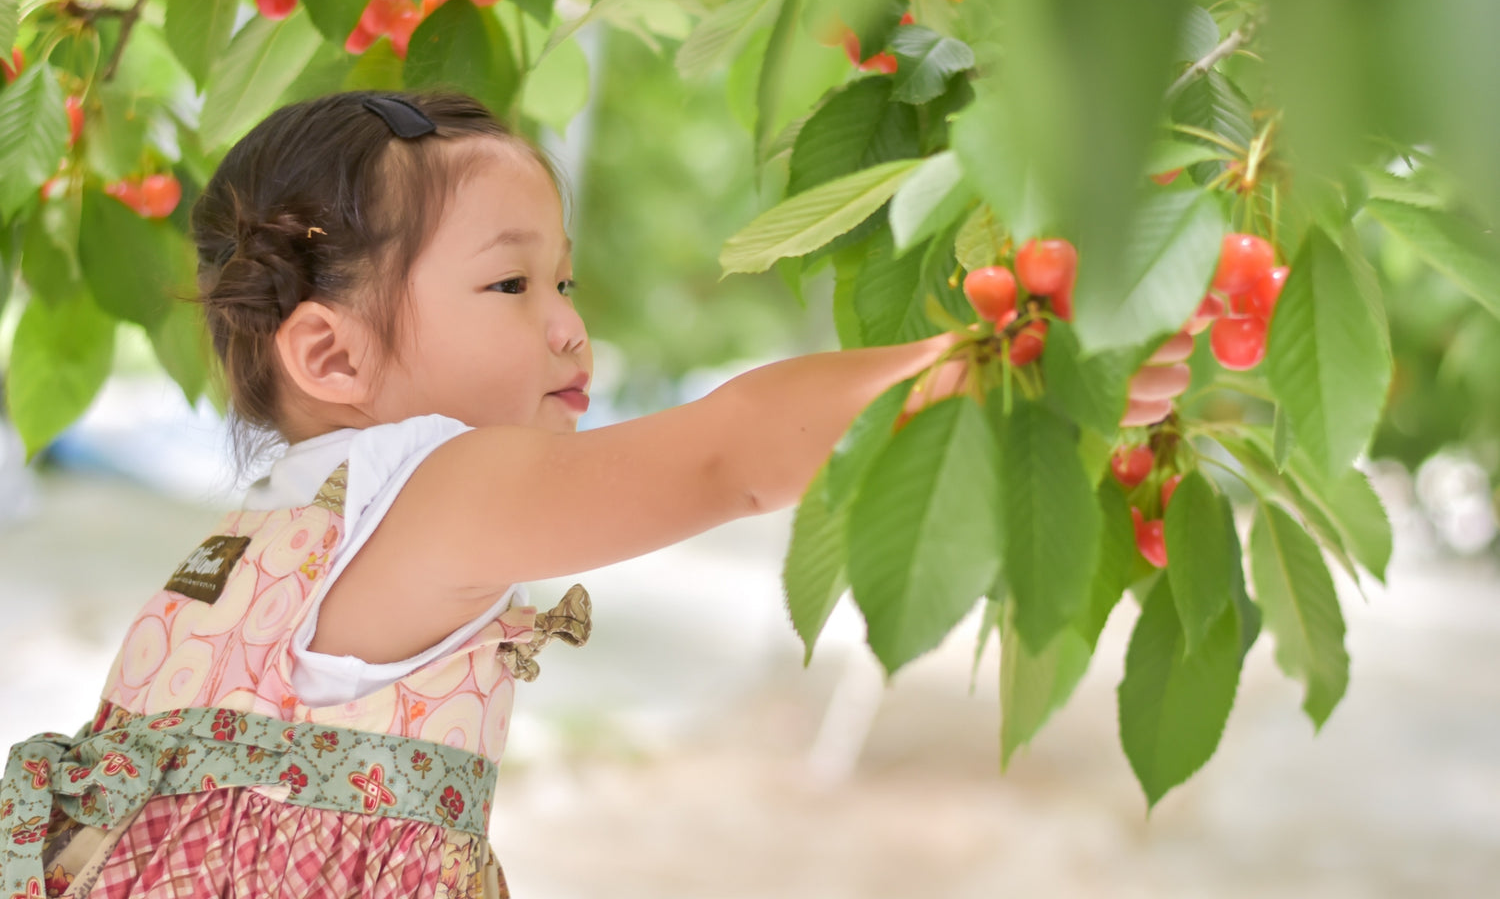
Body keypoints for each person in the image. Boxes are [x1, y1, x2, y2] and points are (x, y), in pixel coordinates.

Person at [0, 90, 1190, 898]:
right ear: (331, 357)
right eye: (511, 282)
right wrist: (1005, 362)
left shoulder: (265, 527)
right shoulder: (436, 484)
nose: (572, 325)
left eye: (562, 278)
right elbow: (728, 453)